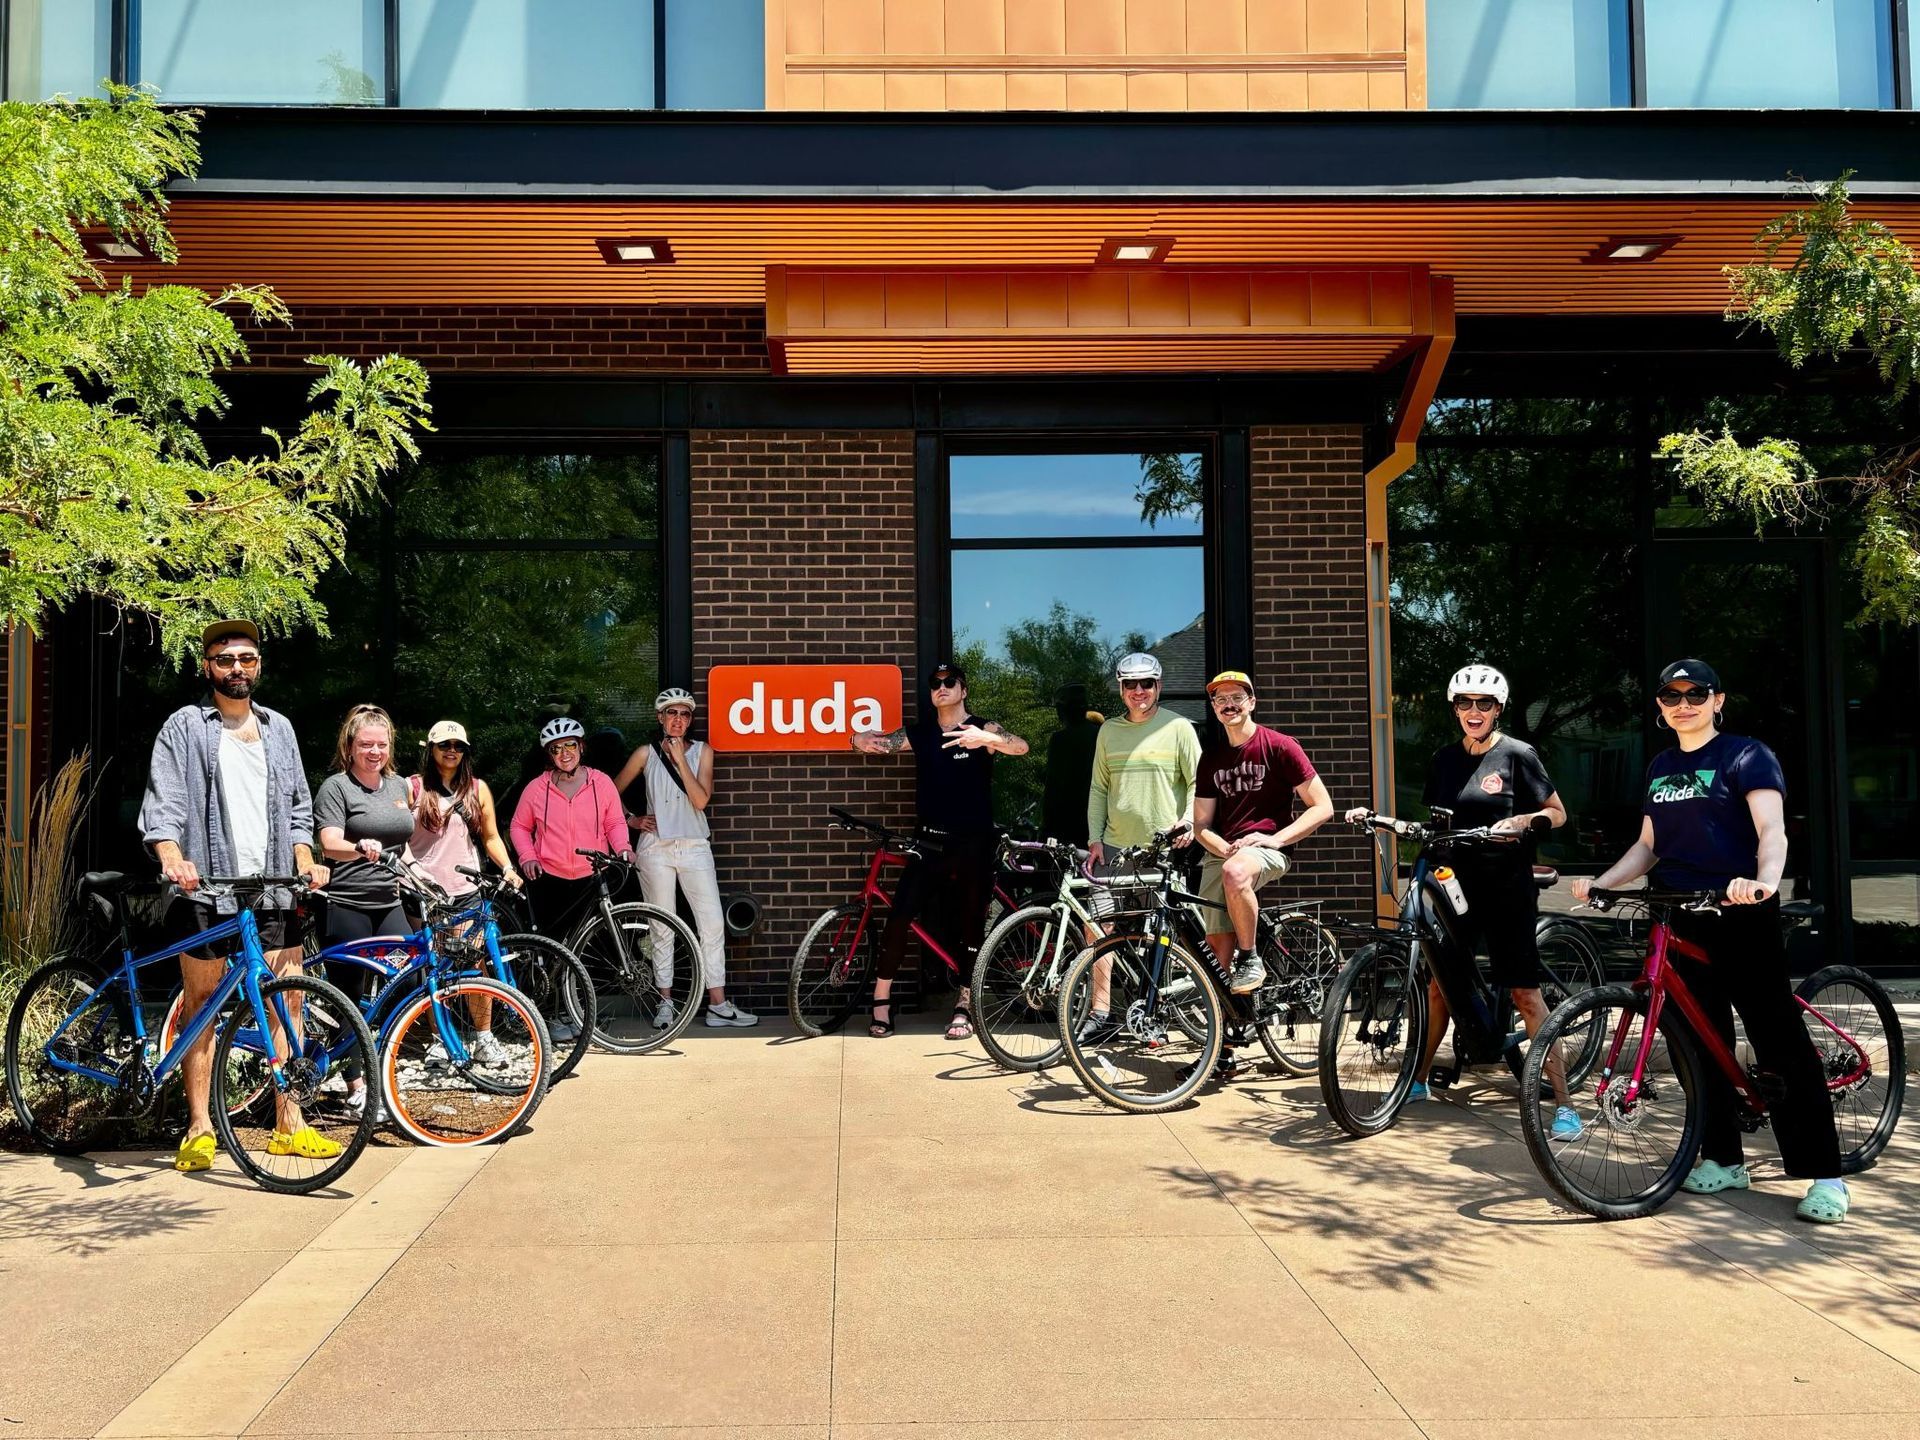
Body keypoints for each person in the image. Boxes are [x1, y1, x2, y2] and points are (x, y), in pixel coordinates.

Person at [1571, 659, 1850, 1223]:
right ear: (1660, 707)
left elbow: (1772, 829)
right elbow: (1648, 845)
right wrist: (1603, 882)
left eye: (1696, 693)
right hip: (1679, 912)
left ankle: (1826, 1175)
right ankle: (1724, 1158)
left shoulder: (1746, 755)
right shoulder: (1661, 765)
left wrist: (1765, 882)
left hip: (1740, 909)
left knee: (1778, 1039)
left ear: (1718, 700)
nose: (1684, 703)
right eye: (1671, 695)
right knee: (1698, 1040)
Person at [137, 619, 335, 1172]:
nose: (237, 668)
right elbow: (165, 802)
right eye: (225, 660)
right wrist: (172, 856)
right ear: (208, 667)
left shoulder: (280, 729)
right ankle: (199, 1127)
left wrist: (303, 859)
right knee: (202, 1007)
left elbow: (299, 807)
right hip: (208, 887)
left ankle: (289, 1124)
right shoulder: (186, 727)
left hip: (272, 885)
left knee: (287, 997)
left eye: (246, 659)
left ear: (259, 665)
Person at [1356, 664, 1580, 1137]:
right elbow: (1439, 822)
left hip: (1506, 887)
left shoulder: (1518, 754)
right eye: (1465, 703)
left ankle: (1563, 1103)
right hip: (1457, 886)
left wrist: (1523, 822)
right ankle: (1417, 1080)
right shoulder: (1444, 759)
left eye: (1484, 704)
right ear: (1455, 708)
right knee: (1440, 982)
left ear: (1498, 709)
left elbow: (1557, 814)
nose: (1473, 711)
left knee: (1525, 994)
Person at [850, 661, 1029, 1039]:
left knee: (969, 923)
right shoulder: (922, 733)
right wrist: (857, 739)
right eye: (935, 683)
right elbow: (879, 742)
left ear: (963, 690)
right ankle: (881, 1000)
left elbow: (1021, 746)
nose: (942, 688)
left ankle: (964, 1004)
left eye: (950, 682)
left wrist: (988, 739)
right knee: (900, 915)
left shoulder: (983, 728)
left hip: (974, 843)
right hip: (929, 842)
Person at [613, 688, 757, 1028]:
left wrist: (680, 760)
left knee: (711, 923)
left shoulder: (703, 752)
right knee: (662, 926)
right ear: (660, 717)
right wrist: (630, 819)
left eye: (685, 714)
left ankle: (718, 1004)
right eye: (672, 713)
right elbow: (608, 791)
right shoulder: (645, 753)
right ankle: (665, 1003)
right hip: (656, 847)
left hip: (694, 845)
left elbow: (700, 800)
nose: (678, 719)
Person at [1079, 651, 1200, 1041]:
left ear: (1159, 686)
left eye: (1146, 683)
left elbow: (1199, 782)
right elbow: (1099, 787)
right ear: (1120, 688)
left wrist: (1190, 822)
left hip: (1164, 850)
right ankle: (1100, 1012)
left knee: (1163, 934)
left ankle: (1156, 1016)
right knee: (1098, 927)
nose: (1138, 691)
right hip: (1114, 847)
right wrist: (1094, 838)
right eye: (1130, 684)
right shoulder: (1108, 731)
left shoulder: (1180, 727)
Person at [1192, 671, 1334, 994]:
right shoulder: (1211, 759)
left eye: (1236, 698)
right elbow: (1201, 825)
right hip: (1226, 852)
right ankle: (1228, 1029)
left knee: (1236, 871)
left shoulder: (1281, 747)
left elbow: (1323, 806)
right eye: (1221, 699)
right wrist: (1224, 847)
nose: (1229, 705)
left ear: (1251, 702)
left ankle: (1250, 956)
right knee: (1214, 948)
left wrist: (1275, 839)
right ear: (1214, 707)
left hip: (1269, 848)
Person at [314, 704, 421, 1113]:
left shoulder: (398, 787)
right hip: (347, 904)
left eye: (381, 744)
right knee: (350, 996)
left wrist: (423, 876)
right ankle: (357, 1086)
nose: (374, 751)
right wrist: (359, 848)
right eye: (365, 744)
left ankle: (386, 1073)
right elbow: (329, 843)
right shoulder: (336, 787)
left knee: (407, 984)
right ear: (350, 745)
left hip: (389, 902)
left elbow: (402, 846)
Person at [510, 717, 632, 944]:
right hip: (550, 878)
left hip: (593, 876)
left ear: (581, 747)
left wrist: (623, 848)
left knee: (598, 944)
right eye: (556, 749)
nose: (564, 753)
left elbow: (614, 822)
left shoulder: (602, 783)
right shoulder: (537, 788)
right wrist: (527, 857)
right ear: (550, 755)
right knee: (551, 944)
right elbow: (519, 826)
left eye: (570, 745)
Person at [1040, 683, 1103, 847]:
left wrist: (1046, 828)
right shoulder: (1100, 735)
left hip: (1067, 822)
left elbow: (1053, 788)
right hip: (1097, 821)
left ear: (1063, 710)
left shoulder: (1061, 740)